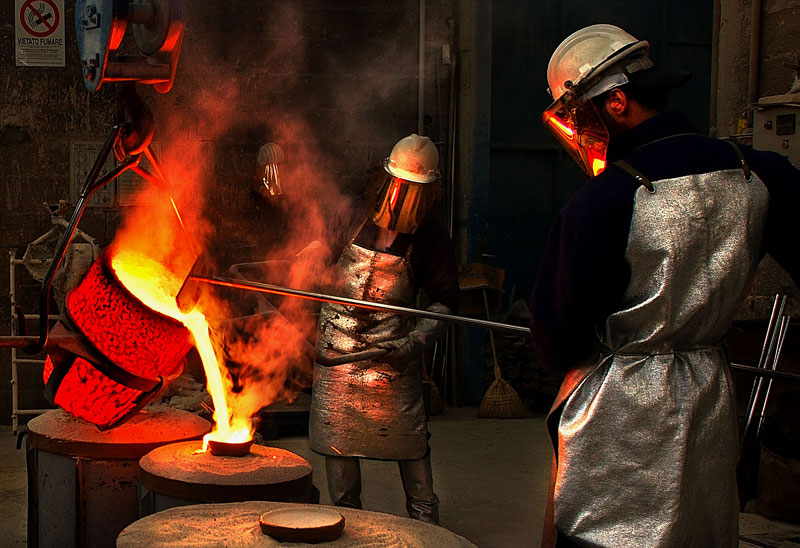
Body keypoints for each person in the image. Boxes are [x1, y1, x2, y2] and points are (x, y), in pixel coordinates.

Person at [529, 24, 800, 548]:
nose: (579, 134)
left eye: (579, 118)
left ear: (617, 103)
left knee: (605, 536)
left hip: (619, 414)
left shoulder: (602, 202)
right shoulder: (759, 174)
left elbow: (556, 340)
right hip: (708, 398)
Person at [309, 134, 459, 524]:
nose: (405, 198)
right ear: (384, 181)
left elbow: (445, 302)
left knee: (411, 447)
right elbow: (315, 262)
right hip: (337, 359)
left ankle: (426, 529)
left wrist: (414, 341)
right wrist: (299, 262)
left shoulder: (430, 237)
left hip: (393, 360)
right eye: (400, 188)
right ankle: (348, 528)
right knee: (339, 451)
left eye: (415, 191)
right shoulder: (349, 214)